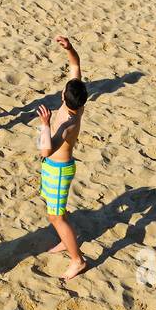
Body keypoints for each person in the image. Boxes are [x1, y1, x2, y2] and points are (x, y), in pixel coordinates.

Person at [35, 37, 88, 281]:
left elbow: (47, 150)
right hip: (54, 168)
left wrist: (45, 125)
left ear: (64, 96)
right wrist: (69, 49)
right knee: (57, 212)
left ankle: (78, 260)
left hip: (58, 169)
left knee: (55, 216)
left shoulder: (67, 124)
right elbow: (75, 65)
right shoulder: (78, 99)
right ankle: (66, 241)